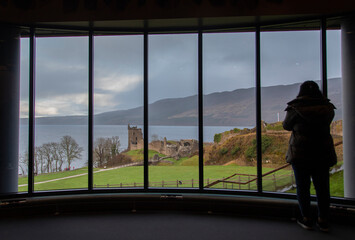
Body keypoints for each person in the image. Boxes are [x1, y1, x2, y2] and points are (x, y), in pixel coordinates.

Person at [283, 81, 337, 232]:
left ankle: (306, 218)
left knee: (302, 187)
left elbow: (286, 126)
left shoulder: (295, 108)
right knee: (323, 188)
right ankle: (323, 219)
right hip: (322, 152)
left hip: (301, 153)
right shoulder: (327, 108)